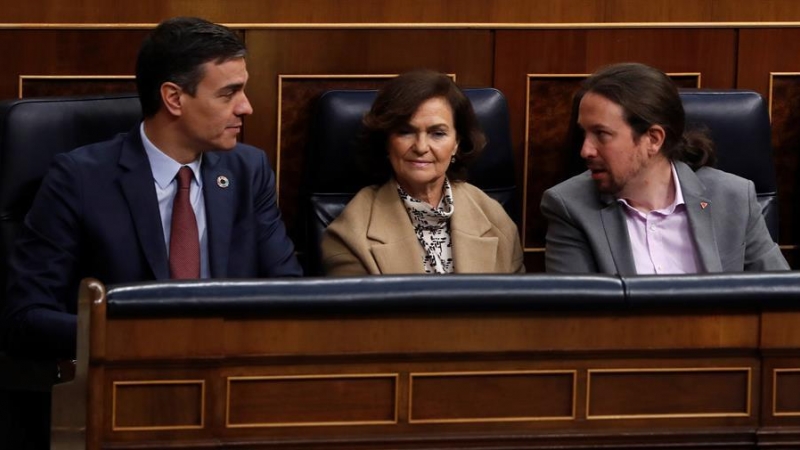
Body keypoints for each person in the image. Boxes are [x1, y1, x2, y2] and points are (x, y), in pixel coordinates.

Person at [2, 17, 302, 359]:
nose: (246, 107)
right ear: (174, 98)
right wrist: (140, 340)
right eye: (228, 93)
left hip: (232, 376)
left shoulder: (249, 171)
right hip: (123, 384)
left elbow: (289, 295)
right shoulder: (79, 180)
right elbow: (25, 317)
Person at [540, 62, 789, 275]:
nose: (585, 150)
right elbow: (576, 321)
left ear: (654, 139)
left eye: (601, 134)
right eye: (584, 133)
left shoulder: (733, 198)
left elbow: (782, 300)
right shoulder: (569, 207)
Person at [322, 70, 525, 275]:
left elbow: (516, 304)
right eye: (405, 131)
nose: (421, 147)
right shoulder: (351, 232)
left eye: (438, 133)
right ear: (386, 141)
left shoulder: (495, 219)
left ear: (456, 143)